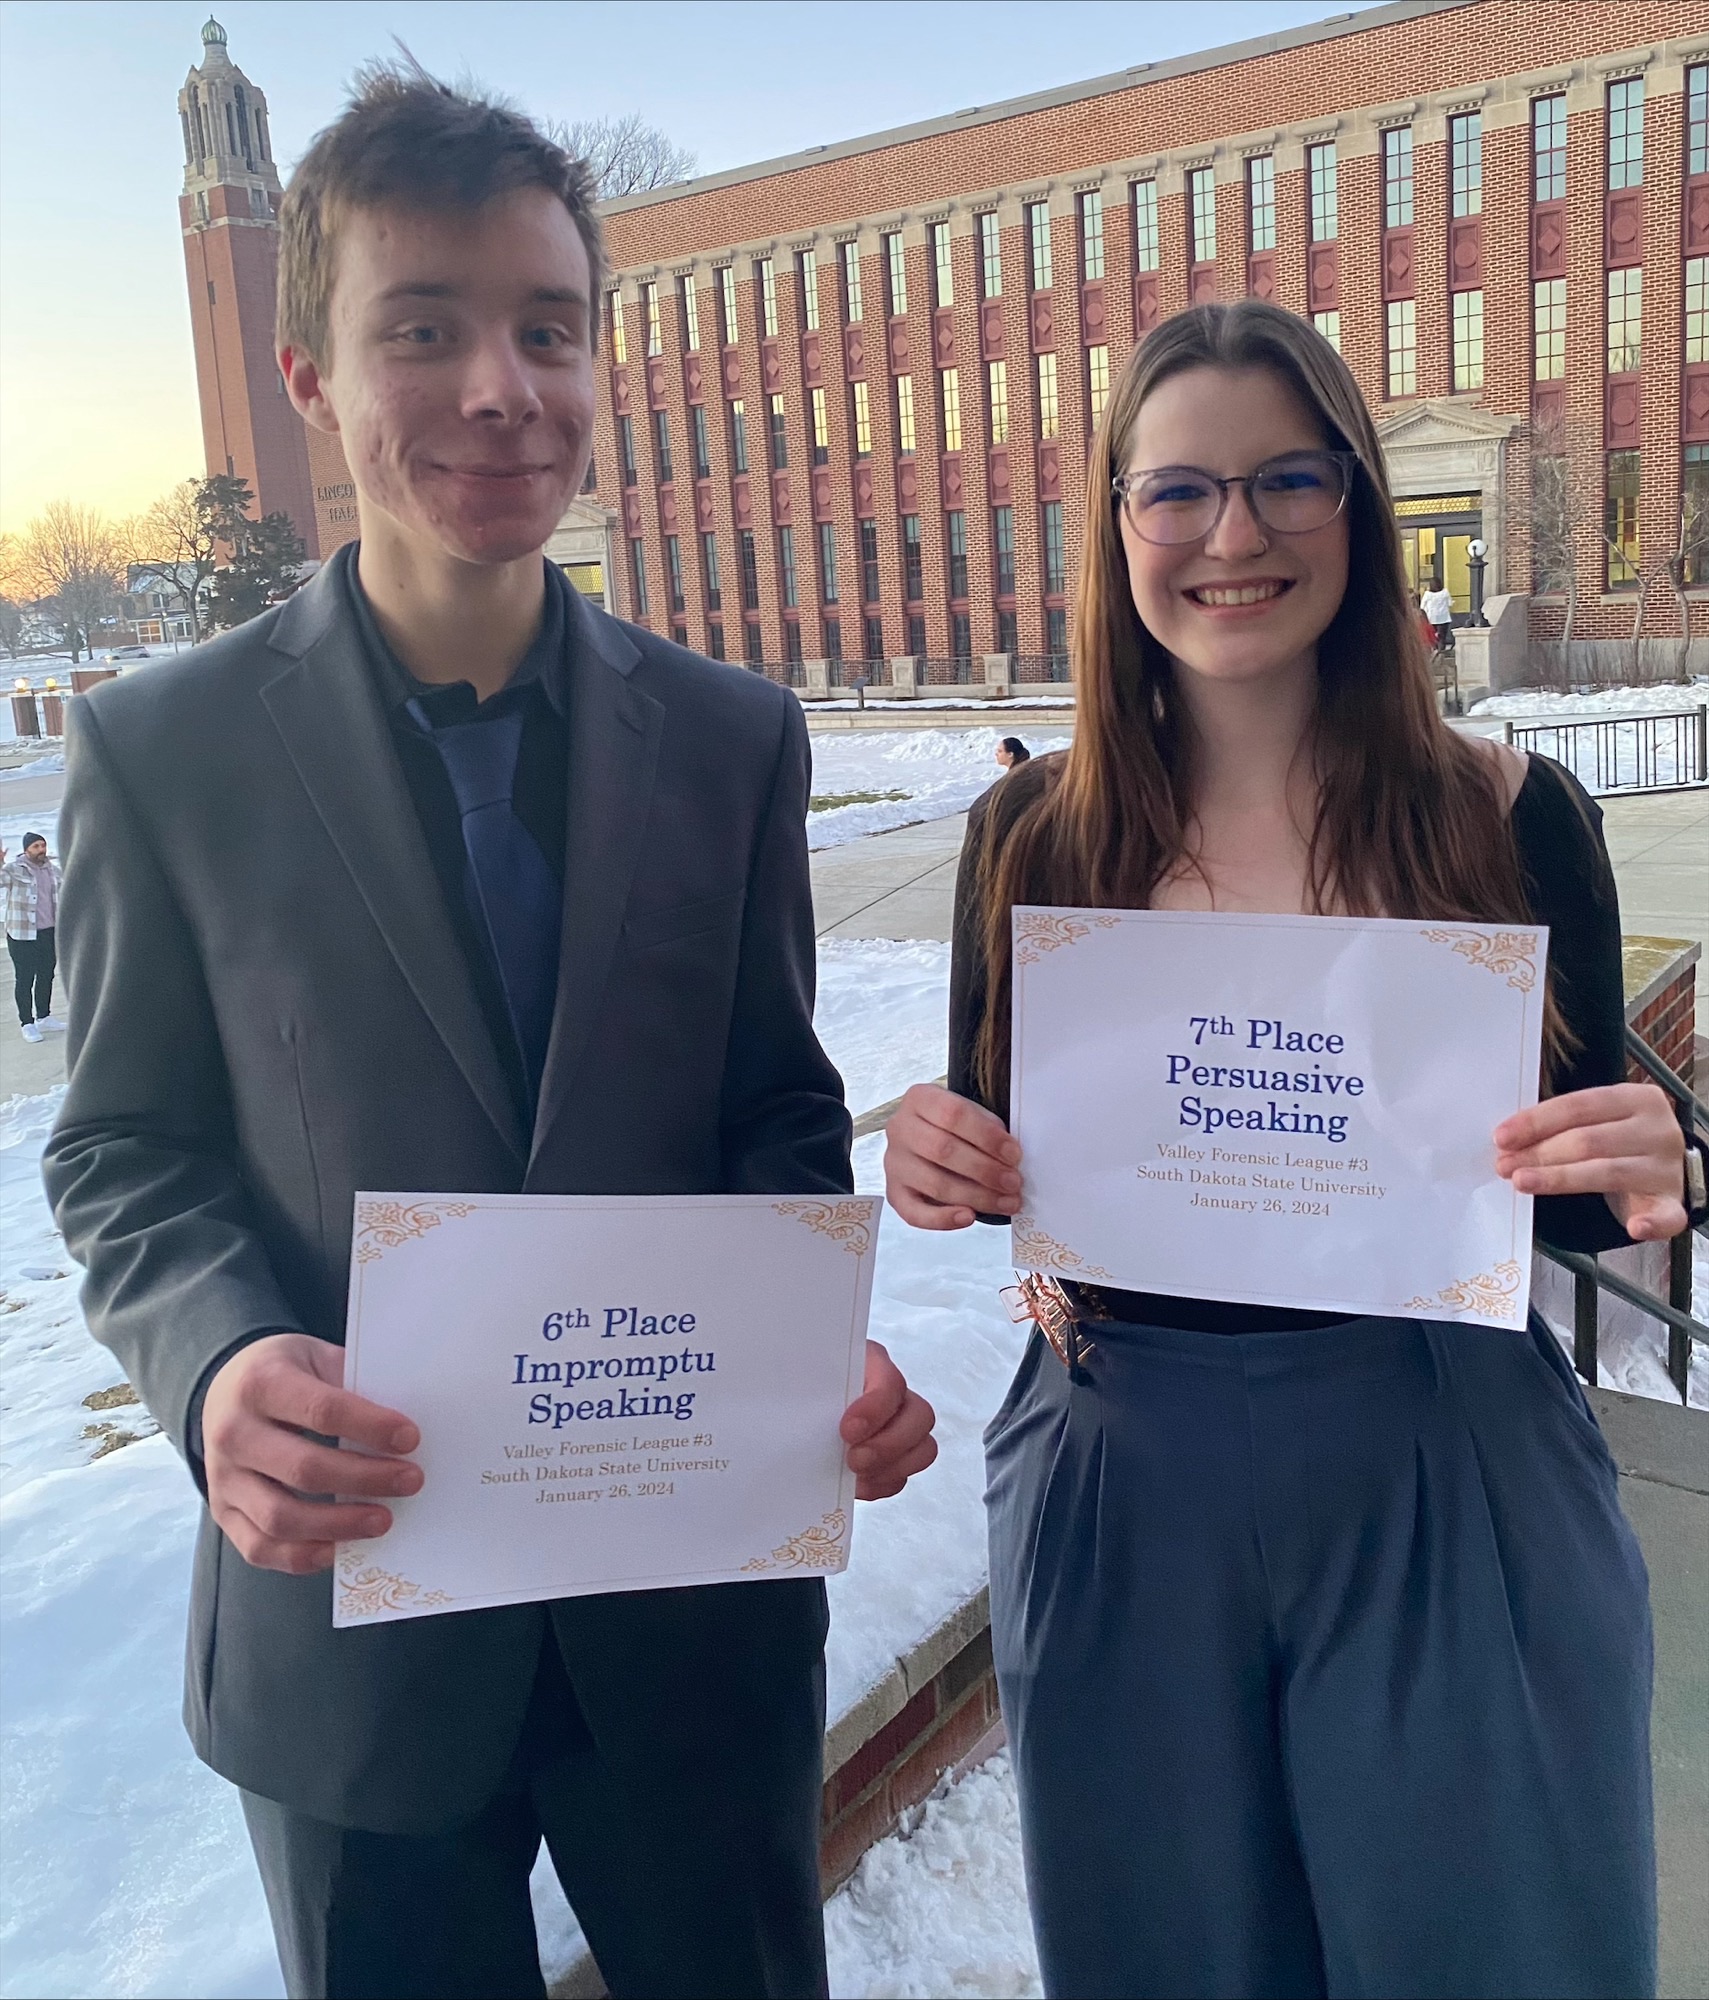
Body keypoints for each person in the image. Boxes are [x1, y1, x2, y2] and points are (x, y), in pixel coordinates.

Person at [45, 65, 936, 2000]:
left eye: (545, 329)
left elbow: (771, 1111)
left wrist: (807, 1339)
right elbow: (122, 1147)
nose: (495, 390)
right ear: (310, 383)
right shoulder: (160, 753)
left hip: (685, 1612)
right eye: (421, 330)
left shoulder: (727, 741)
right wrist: (208, 1374)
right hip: (354, 1643)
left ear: (597, 364)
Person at [884, 301, 1700, 2000]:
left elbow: (1559, 1200)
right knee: (1161, 1955)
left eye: (1283, 482)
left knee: (1493, 1949)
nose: (1230, 536)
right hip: (1118, 1460)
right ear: (1115, 526)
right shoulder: (1024, 838)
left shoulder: (1505, 816)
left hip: (1439, 1457)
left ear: (1356, 503)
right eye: (1174, 491)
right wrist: (938, 1156)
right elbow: (1003, 1160)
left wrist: (1658, 1157)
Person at [2, 830, 64, 1042]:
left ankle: (44, 1017)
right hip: (22, 935)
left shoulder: (53, 871)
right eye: (36, 846)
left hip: (48, 932)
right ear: (26, 849)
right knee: (25, 978)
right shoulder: (13, 870)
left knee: (47, 974)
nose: (41, 850)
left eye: (43, 845)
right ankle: (27, 1023)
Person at [1420, 576, 1455, 652]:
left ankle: (1435, 651)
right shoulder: (1445, 592)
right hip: (1444, 617)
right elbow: (1450, 603)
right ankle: (1441, 651)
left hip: (1431, 618)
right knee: (1442, 637)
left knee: (1433, 637)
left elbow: (1422, 606)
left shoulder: (1427, 594)